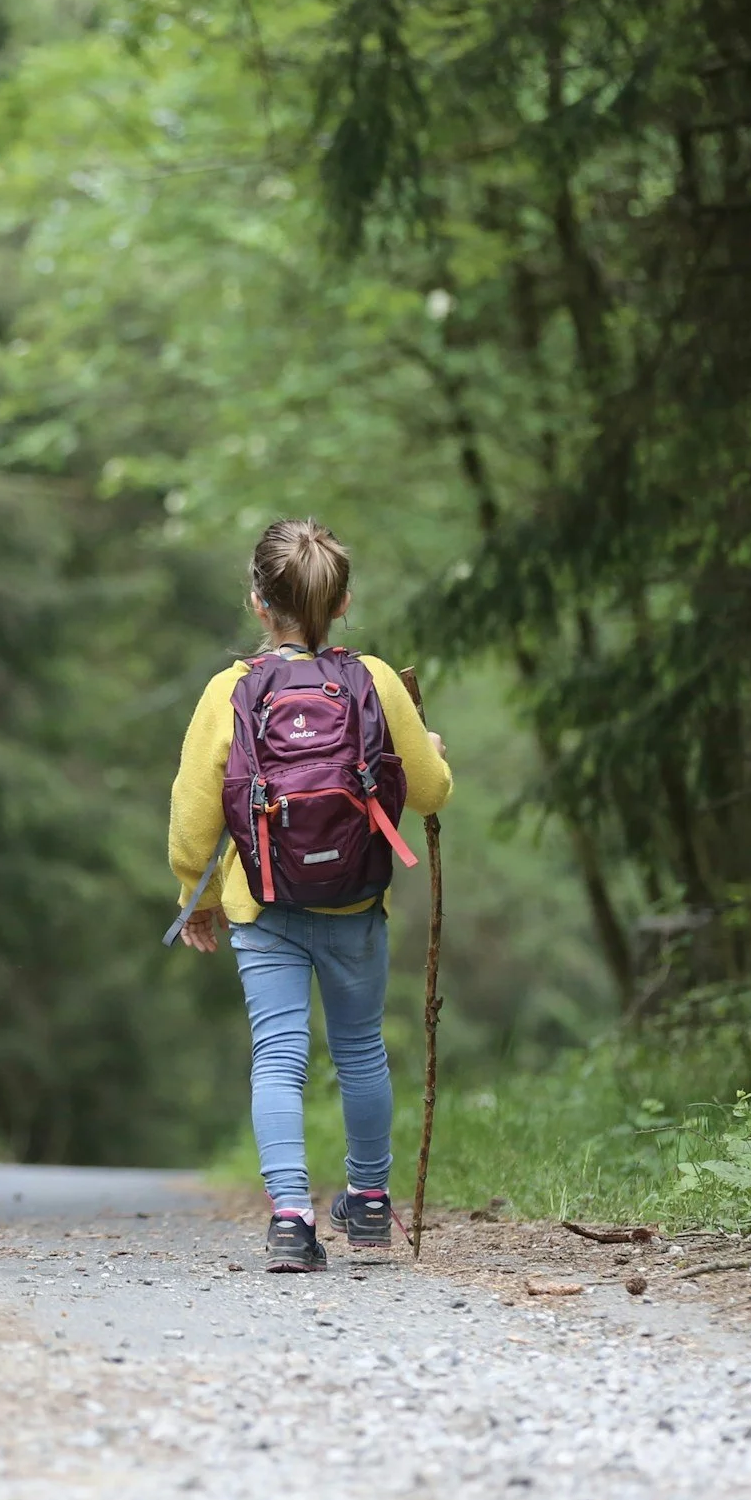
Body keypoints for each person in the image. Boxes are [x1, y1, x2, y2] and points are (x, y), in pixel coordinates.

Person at [169, 519, 452, 1273]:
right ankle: (367, 1205)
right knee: (360, 1050)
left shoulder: (230, 689)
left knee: (278, 1055)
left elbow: (193, 811)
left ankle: (291, 1217)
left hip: (264, 906)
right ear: (344, 601)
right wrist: (434, 754)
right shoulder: (376, 680)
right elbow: (429, 791)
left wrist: (191, 895)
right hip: (355, 904)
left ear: (258, 602)